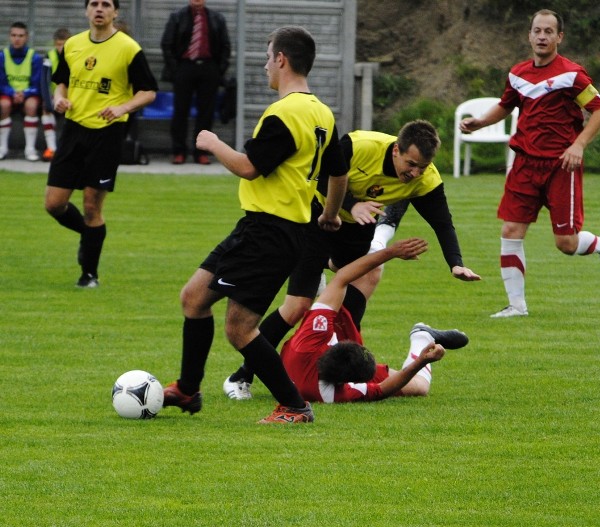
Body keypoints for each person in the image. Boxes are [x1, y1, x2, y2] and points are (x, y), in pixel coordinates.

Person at [160, 25, 349, 425]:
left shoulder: (284, 113)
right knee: (193, 298)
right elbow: (339, 172)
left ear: (281, 59)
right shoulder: (321, 113)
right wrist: (330, 214)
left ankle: (295, 407)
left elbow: (248, 167)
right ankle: (189, 391)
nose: (266, 66)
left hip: (271, 232)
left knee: (240, 329)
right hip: (262, 227)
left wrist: (213, 143)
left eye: (268, 58)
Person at [222, 120, 481, 400]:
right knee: (298, 305)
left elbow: (442, 222)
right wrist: (350, 205)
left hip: (357, 228)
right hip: (317, 217)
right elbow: (317, 175)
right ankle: (242, 375)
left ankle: (344, 363)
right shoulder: (360, 146)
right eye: (411, 163)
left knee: (368, 277)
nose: (416, 172)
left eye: (422, 167)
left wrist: (455, 262)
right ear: (396, 150)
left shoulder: (425, 178)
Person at [459, 9, 600, 319]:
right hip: (524, 164)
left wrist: (578, 144)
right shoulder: (518, 73)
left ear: (559, 37)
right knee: (510, 229)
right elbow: (505, 107)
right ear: (529, 35)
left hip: (561, 166)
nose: (543, 36)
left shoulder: (573, 74)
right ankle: (516, 306)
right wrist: (479, 122)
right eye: (538, 31)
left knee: (565, 242)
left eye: (549, 31)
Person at [45, 0, 158, 288]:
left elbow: (149, 92)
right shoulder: (72, 44)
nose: (99, 8)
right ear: (86, 10)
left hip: (107, 134)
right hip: (73, 130)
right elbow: (61, 82)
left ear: (115, 12)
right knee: (54, 204)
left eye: (106, 4)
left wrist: (122, 108)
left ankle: (89, 274)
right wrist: (59, 98)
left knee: (92, 206)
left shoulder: (128, 48)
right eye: (94, 3)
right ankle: (89, 235)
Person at [282, 237, 470, 403]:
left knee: (368, 273)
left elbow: (341, 278)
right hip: (319, 357)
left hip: (310, 347)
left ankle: (378, 235)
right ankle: (422, 336)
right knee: (419, 388)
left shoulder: (311, 338)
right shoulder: (334, 394)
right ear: (346, 383)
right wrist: (421, 361)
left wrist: (392, 252)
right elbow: (383, 389)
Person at [161, 0, 231, 165]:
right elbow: (166, 44)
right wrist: (176, 70)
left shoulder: (217, 18)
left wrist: (218, 69)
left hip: (209, 68)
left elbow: (225, 46)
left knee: (206, 112)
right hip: (184, 67)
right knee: (180, 111)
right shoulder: (177, 17)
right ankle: (179, 151)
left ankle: (201, 152)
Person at [0, 22, 44, 161]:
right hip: (9, 94)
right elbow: (1, 83)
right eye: (13, 35)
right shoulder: (2, 56)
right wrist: (12, 92)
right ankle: (2, 147)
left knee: (31, 106)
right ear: (9, 37)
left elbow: (37, 84)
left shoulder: (35, 57)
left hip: (28, 94)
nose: (17, 38)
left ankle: (30, 149)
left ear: (26, 37)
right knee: (3, 105)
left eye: (20, 35)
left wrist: (24, 93)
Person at [38, 28, 71, 162]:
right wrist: (48, 99)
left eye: (63, 44)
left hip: (73, 96)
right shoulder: (49, 56)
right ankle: (51, 148)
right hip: (55, 95)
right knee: (45, 107)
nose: (61, 47)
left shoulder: (76, 55)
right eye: (58, 44)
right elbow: (44, 80)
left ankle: (69, 150)